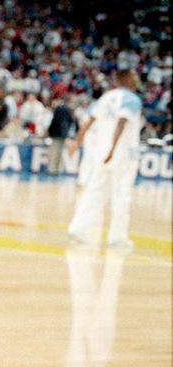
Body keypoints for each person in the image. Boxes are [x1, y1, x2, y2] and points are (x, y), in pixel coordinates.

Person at [68, 69, 143, 248]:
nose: (137, 78)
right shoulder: (132, 99)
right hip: (121, 154)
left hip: (101, 153)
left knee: (94, 190)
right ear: (127, 79)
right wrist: (113, 149)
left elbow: (88, 121)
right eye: (134, 75)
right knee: (122, 194)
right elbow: (121, 122)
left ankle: (78, 228)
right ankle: (117, 238)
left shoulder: (106, 97)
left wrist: (76, 142)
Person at [46, 93, 78, 175]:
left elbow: (53, 121)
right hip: (63, 133)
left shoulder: (58, 108)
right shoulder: (70, 110)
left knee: (54, 151)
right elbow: (72, 121)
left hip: (56, 132)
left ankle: (52, 169)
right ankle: (56, 169)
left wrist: (49, 131)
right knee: (59, 151)